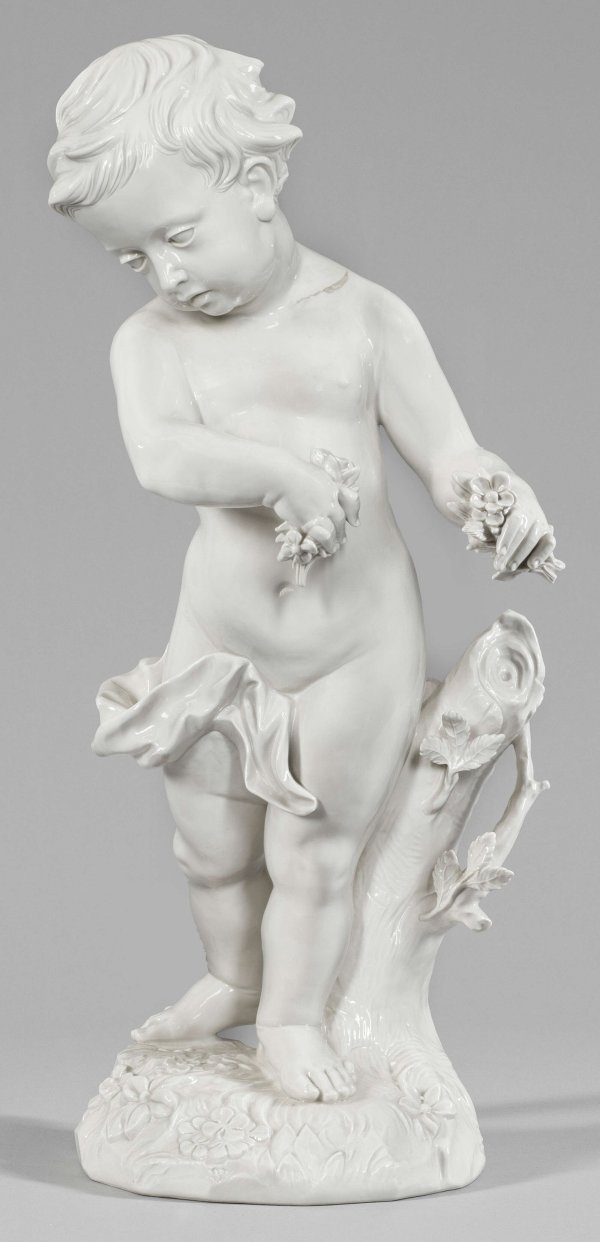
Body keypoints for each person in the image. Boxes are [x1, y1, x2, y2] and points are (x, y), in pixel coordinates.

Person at [48, 35, 562, 1103]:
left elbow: (448, 452)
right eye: (135, 258)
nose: (167, 275)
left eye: (179, 236)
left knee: (315, 851)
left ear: (257, 180)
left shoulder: (367, 320)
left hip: (353, 648)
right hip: (220, 641)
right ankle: (233, 976)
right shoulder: (152, 343)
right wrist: (281, 475)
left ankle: (289, 1016)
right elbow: (161, 458)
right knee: (206, 847)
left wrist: (495, 498)